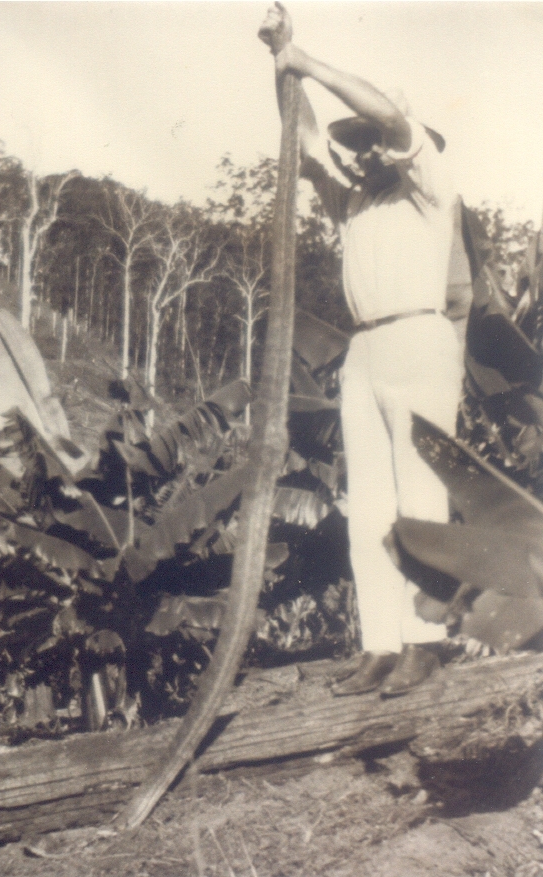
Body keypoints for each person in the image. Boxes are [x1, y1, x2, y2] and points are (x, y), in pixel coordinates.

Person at [260, 5, 462, 696]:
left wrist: (310, 61)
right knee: (370, 505)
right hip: (365, 350)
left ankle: (425, 641)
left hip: (420, 340)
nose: (367, 151)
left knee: (420, 496)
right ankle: (380, 643)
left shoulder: (430, 190)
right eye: (364, 145)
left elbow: (393, 121)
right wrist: (280, 57)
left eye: (376, 140)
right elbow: (308, 142)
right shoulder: (355, 207)